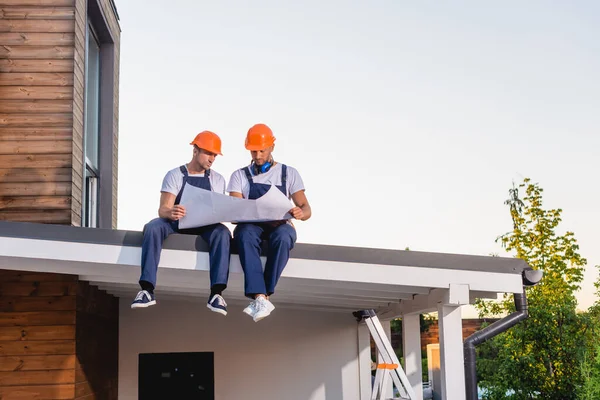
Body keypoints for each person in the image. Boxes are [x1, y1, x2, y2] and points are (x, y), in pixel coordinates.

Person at [131, 131, 231, 315]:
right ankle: (146, 290)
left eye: (215, 155)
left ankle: (216, 294)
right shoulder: (175, 175)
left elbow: (218, 210)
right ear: (195, 150)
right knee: (153, 227)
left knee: (223, 232)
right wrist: (172, 211)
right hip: (176, 223)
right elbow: (163, 209)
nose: (212, 159)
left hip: (205, 225)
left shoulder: (217, 180)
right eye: (208, 153)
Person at [228, 123, 312, 322]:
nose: (257, 155)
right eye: (253, 151)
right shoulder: (239, 176)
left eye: (261, 150)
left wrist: (300, 212)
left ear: (272, 147)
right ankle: (260, 296)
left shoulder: (289, 174)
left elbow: (307, 209)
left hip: (280, 225)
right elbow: (233, 208)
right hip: (251, 225)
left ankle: (263, 295)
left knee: (284, 237)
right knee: (244, 234)